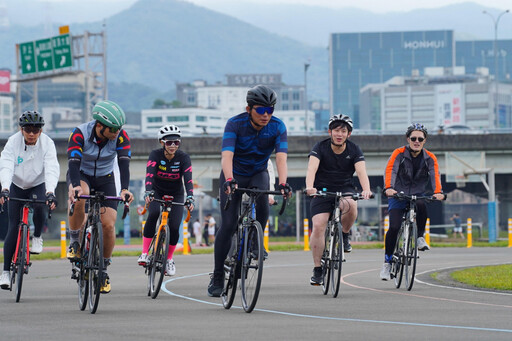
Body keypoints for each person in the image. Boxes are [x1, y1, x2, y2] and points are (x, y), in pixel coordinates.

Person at [207, 84, 292, 297]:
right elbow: (226, 156)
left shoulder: (278, 126)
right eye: (261, 110)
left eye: (270, 110)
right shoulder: (235, 124)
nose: (266, 115)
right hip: (233, 172)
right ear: (249, 109)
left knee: (263, 205)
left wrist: (283, 183)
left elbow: (281, 158)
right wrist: (229, 179)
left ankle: (255, 241)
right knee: (227, 224)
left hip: (258, 172)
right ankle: (217, 275)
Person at [66, 100, 134, 294]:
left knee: (108, 225)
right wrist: (75, 186)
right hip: (82, 173)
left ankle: (103, 270)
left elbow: (123, 164)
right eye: (113, 129)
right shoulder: (79, 133)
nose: (116, 133)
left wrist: (125, 189)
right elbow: (73, 161)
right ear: (99, 126)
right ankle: (75, 242)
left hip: (106, 177)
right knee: (81, 197)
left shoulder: (121, 137)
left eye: (119, 129)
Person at [305, 114, 372, 286]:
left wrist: (366, 190)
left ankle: (344, 235)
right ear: (330, 132)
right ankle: (317, 269)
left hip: (344, 188)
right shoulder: (320, 147)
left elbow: (361, 172)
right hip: (321, 190)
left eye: (343, 131)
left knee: (351, 205)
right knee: (319, 225)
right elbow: (311, 169)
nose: (339, 134)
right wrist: (310, 187)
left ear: (349, 134)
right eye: (336, 130)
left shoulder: (354, 149)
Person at [0, 111, 59, 288]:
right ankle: (5, 272)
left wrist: (50, 192)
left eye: (35, 129)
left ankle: (37, 237)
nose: (31, 133)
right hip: (17, 184)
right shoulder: (13, 142)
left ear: (41, 131)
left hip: (38, 183)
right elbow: (6, 165)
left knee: (41, 207)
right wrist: (4, 188)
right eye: (27, 129)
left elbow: (51, 167)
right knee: (13, 226)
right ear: (21, 129)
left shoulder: (47, 143)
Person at [380, 123, 445, 281]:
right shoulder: (399, 153)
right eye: (413, 138)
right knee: (394, 227)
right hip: (397, 194)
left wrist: (438, 192)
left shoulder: (430, 157)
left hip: (417, 193)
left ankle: (419, 237)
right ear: (408, 139)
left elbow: (435, 175)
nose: (417, 141)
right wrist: (389, 188)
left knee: (422, 204)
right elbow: (391, 170)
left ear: (425, 140)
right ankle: (387, 263)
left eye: (420, 139)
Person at [137, 124, 194, 276]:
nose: (173, 145)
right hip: (157, 192)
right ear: (162, 142)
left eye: (176, 142)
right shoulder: (155, 155)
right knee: (154, 213)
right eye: (169, 142)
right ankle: (144, 253)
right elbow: (149, 174)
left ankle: (169, 259)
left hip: (176, 193)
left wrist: (190, 197)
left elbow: (188, 179)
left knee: (175, 226)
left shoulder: (184, 158)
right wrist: (148, 191)